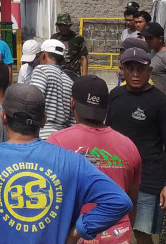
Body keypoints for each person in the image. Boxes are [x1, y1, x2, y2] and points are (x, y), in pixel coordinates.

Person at [0, 83, 132, 244]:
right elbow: (119, 201)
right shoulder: (71, 161)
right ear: (43, 120)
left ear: (3, 117)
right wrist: (77, 232)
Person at [49, 76, 143, 244]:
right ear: (107, 107)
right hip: (118, 235)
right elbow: (132, 200)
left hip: (75, 236)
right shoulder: (129, 146)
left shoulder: (56, 143)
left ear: (72, 103)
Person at [107, 46, 166, 244]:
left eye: (140, 69)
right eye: (130, 68)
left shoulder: (162, 103)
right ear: (122, 69)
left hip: (148, 181)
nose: (135, 74)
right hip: (116, 180)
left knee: (141, 234)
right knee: (112, 231)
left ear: (149, 70)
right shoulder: (114, 97)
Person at [29, 39, 73, 139]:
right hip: (63, 137)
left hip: (43, 135)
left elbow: (33, 101)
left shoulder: (41, 70)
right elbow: (72, 118)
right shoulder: (69, 81)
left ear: (43, 55)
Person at [55, 13, 89, 77]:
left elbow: (84, 58)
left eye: (65, 25)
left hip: (73, 75)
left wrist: (84, 77)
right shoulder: (54, 38)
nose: (62, 28)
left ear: (69, 25)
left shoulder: (78, 39)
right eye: (60, 25)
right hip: (57, 75)